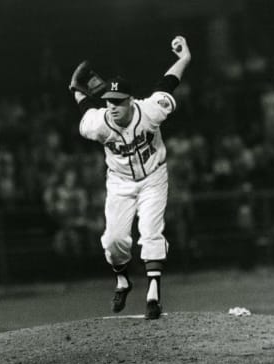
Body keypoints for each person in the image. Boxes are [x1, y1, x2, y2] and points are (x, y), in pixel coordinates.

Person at [69, 36, 191, 319]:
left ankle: (153, 296)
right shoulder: (97, 123)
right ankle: (122, 280)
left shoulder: (150, 111)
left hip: (153, 177)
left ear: (131, 101)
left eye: (119, 101)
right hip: (120, 182)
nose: (112, 106)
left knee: (150, 231)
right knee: (113, 241)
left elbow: (168, 84)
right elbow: (84, 104)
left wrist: (184, 59)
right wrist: (74, 88)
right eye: (109, 101)